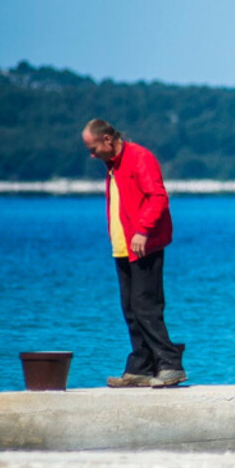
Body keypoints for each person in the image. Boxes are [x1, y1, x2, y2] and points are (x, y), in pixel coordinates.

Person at [81, 119, 186, 388]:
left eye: (93, 148)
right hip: (122, 246)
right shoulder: (113, 166)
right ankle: (141, 365)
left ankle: (170, 363)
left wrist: (142, 230)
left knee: (146, 306)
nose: (91, 155)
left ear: (107, 138)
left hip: (143, 243)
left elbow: (158, 197)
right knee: (129, 308)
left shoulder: (139, 157)